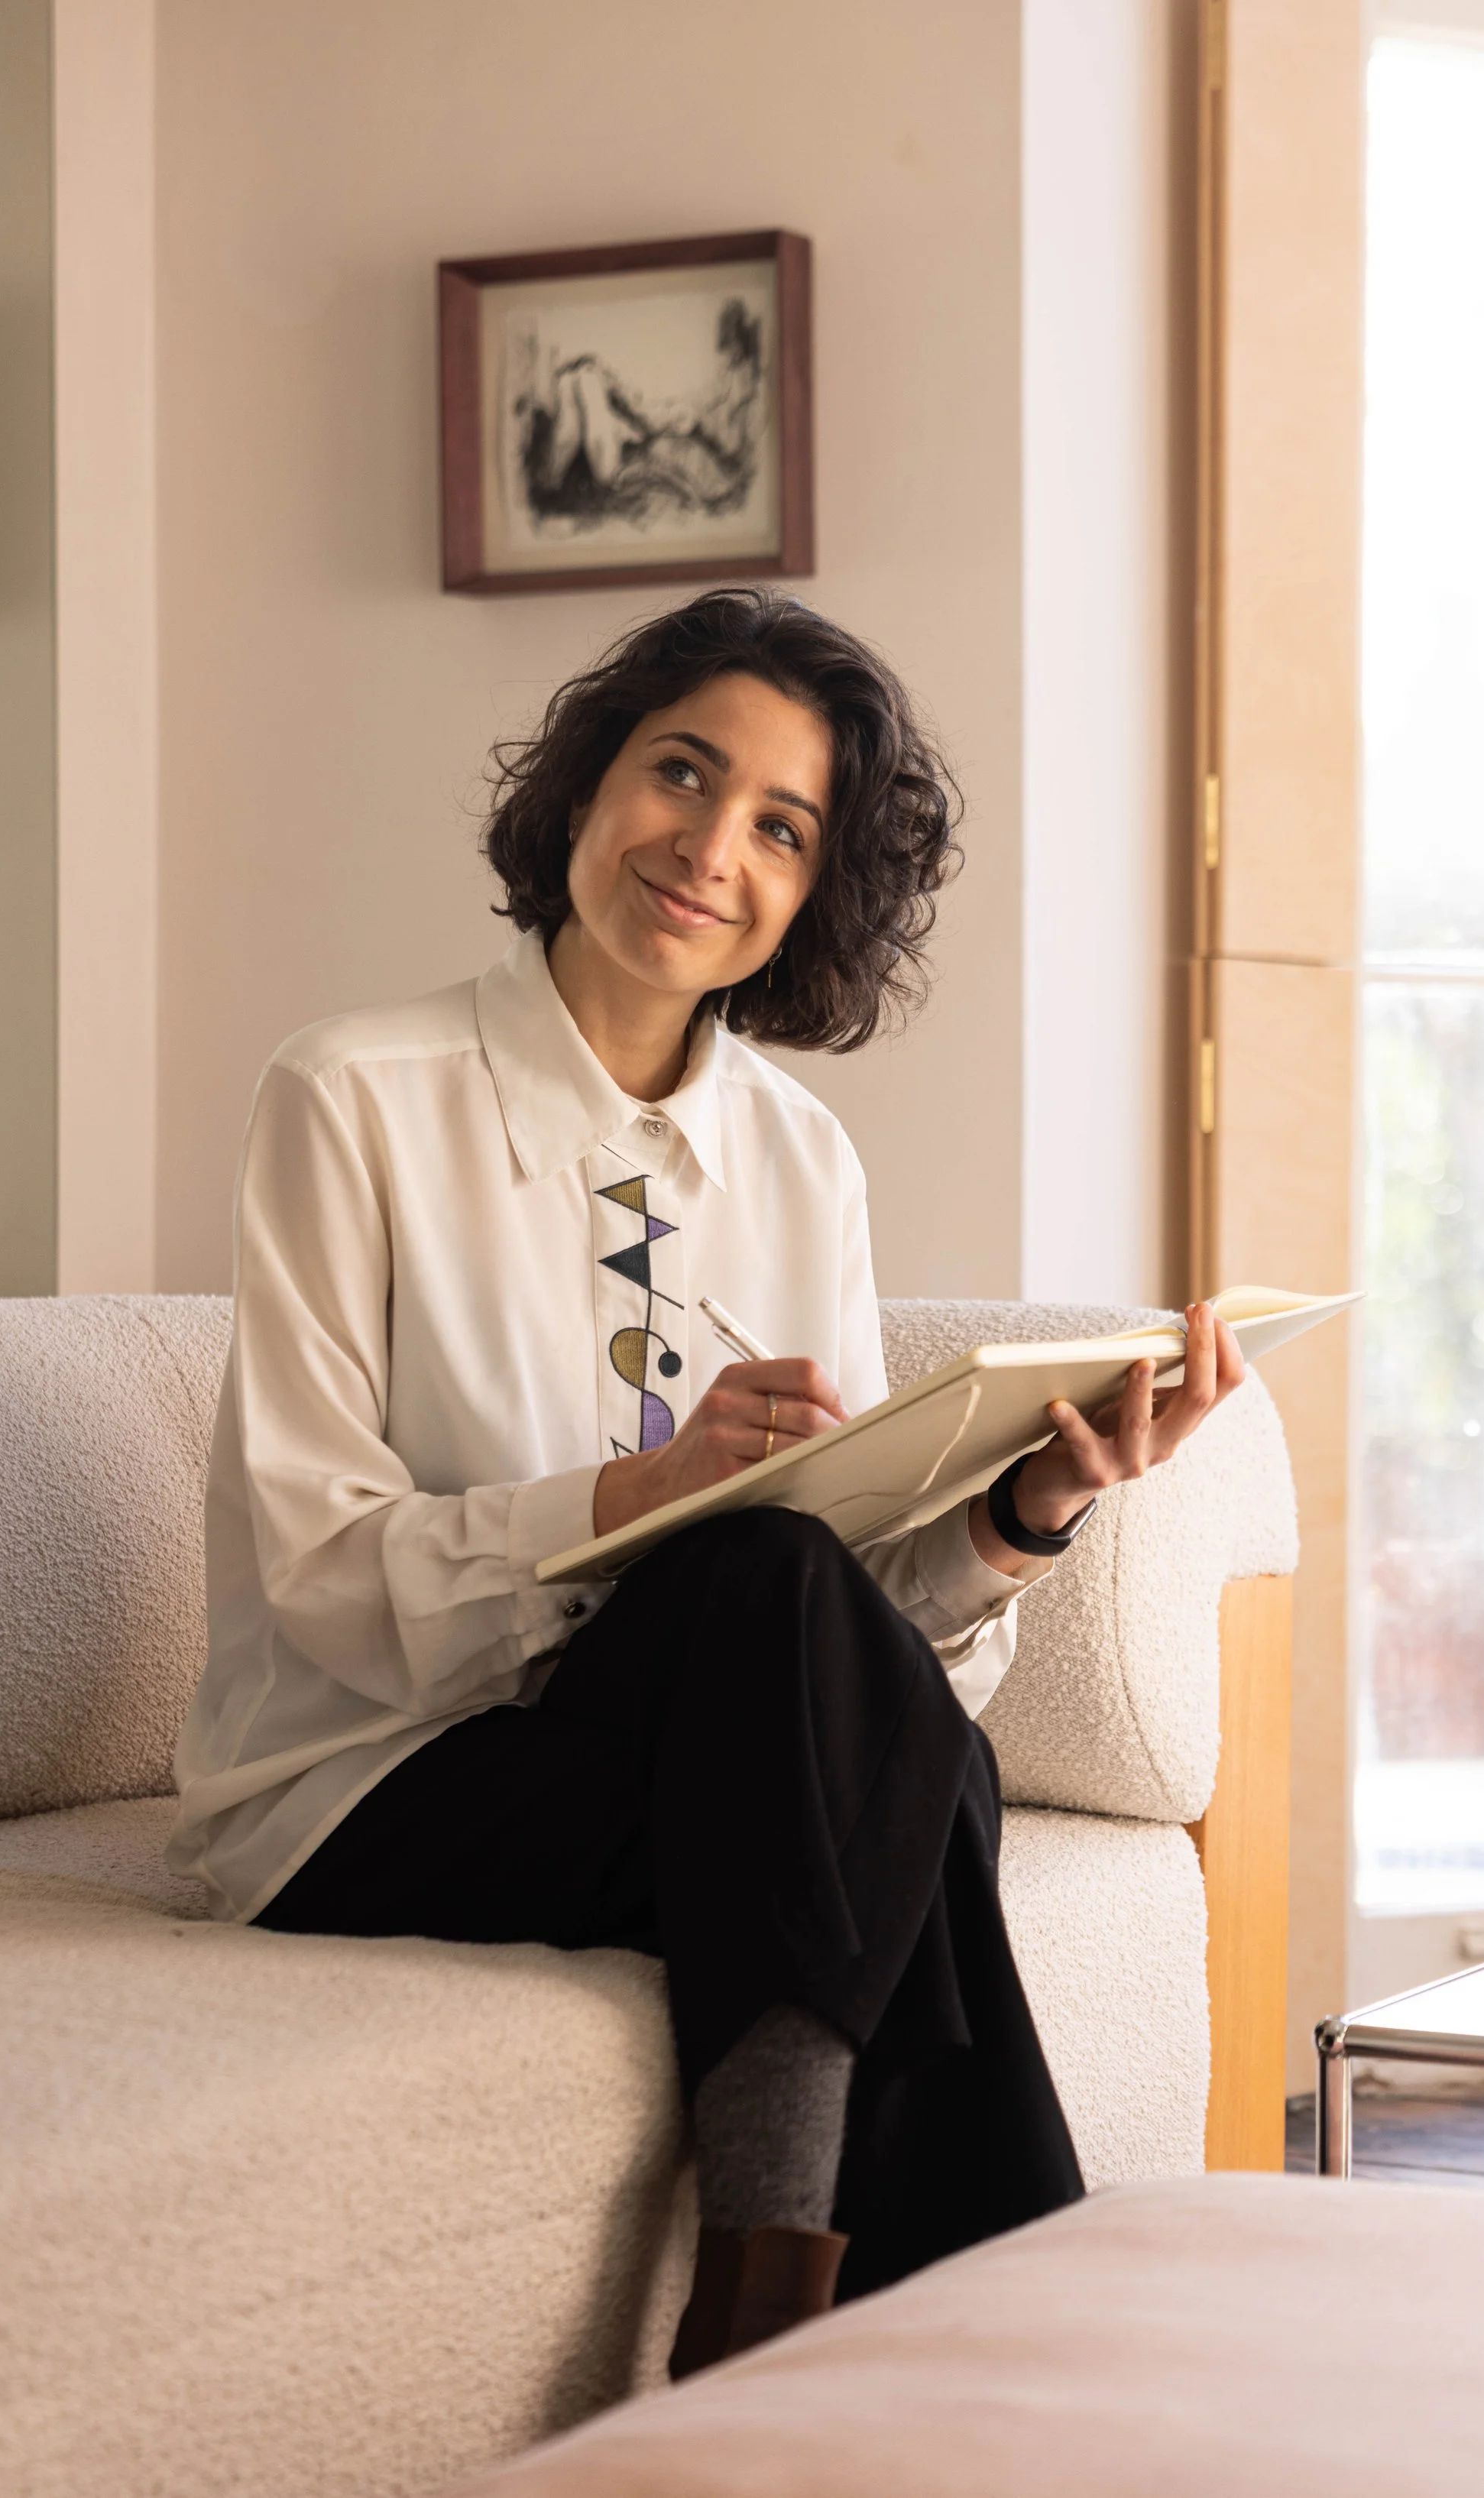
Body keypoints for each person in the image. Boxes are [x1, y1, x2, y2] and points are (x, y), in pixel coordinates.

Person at [166, 588, 1244, 2377]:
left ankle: (774, 2316)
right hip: (358, 1781)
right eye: (681, 771)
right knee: (864, 1709)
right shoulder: (351, 1091)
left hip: (681, 1753)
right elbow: (308, 1570)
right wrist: (629, 1493)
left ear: (814, 895)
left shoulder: (797, 1159)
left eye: (780, 827)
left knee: (826, 1649)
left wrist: (1019, 1515)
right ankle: (1011, 2345)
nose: (708, 848)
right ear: (589, 780)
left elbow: (852, 1631)